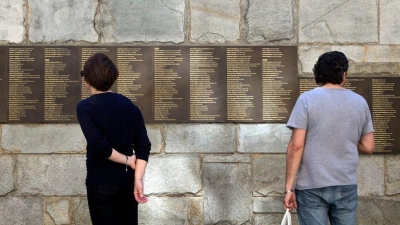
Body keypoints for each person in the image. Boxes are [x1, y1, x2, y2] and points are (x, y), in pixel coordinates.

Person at [284, 51, 375, 225]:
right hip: (345, 185)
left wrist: (288, 189)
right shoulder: (360, 102)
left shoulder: (306, 100)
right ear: (344, 74)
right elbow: (369, 146)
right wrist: (345, 138)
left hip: (311, 186)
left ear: (319, 73)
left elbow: (296, 146)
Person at [77, 53, 151, 225]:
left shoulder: (85, 107)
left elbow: (99, 146)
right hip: (128, 183)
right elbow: (143, 146)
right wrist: (138, 179)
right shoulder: (131, 107)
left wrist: (127, 160)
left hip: (101, 183)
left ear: (88, 78)